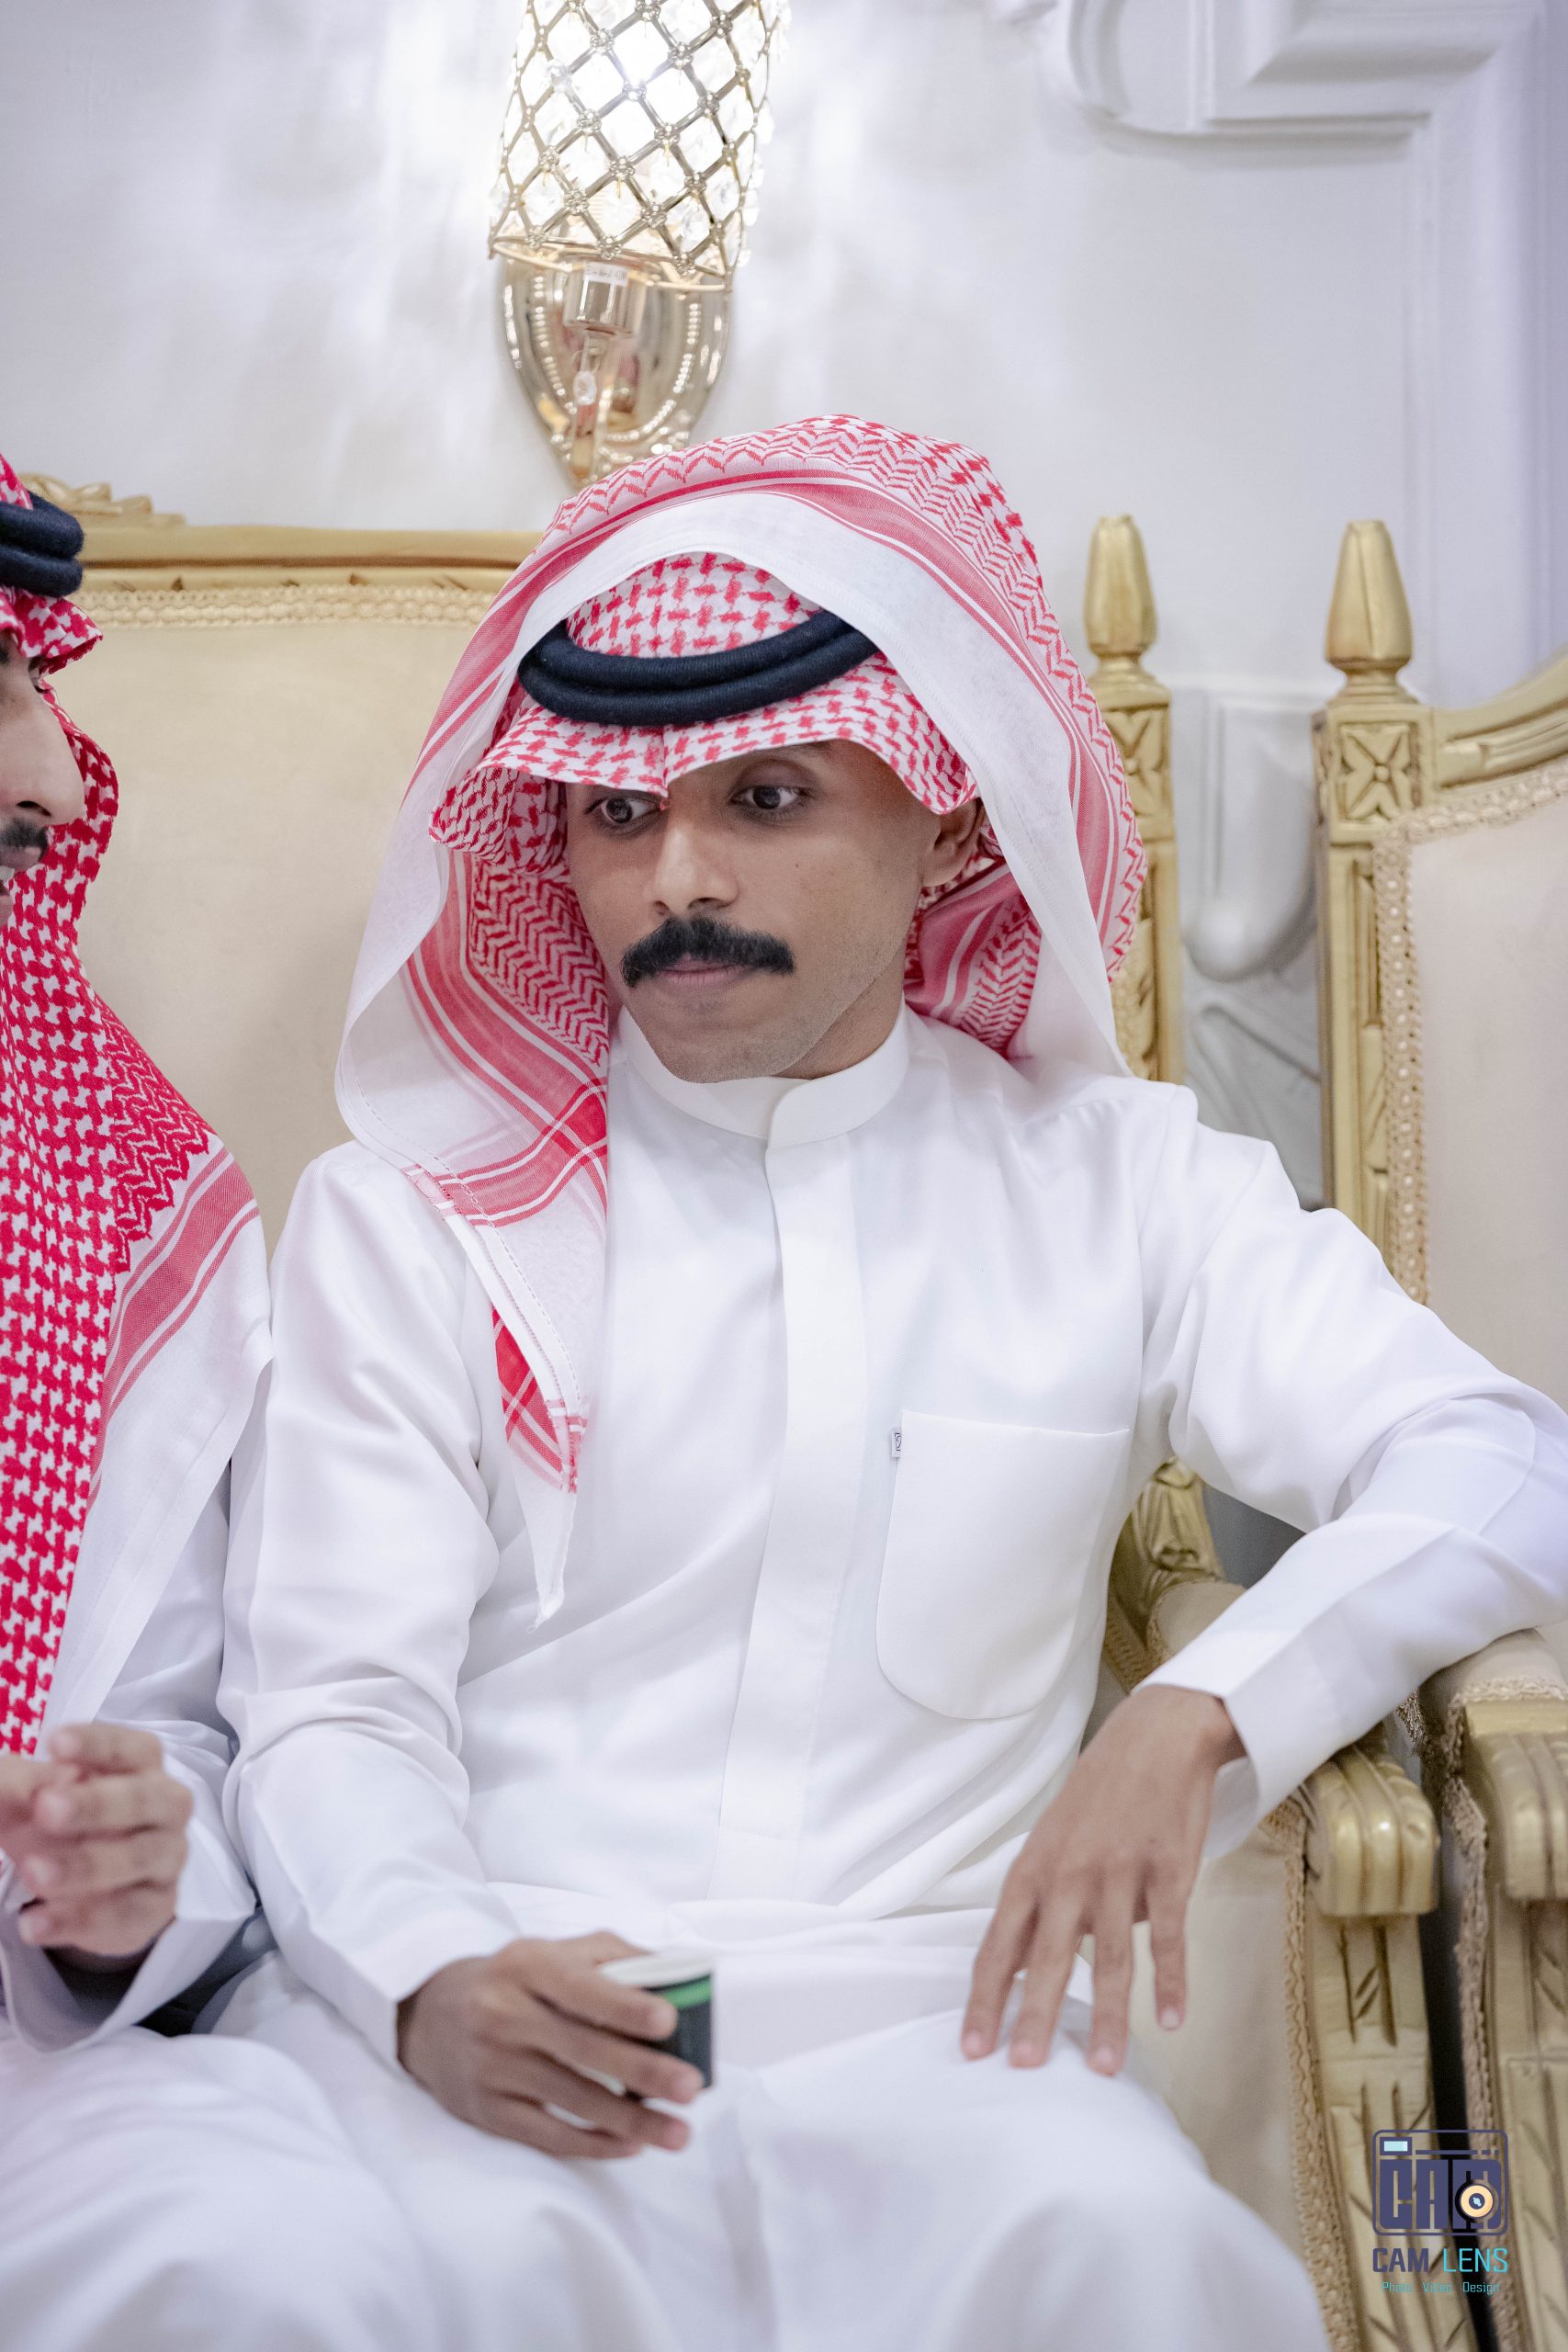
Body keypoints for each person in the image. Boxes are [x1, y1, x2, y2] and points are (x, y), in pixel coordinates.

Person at [215, 415, 1568, 2352]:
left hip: (948, 2056)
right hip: (512, 2030)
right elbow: (332, 1706)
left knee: (1141, 2257)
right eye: (616, 813)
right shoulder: (412, 1224)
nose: (674, 877)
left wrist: (1197, 1711)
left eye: (765, 796)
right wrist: (427, 1972)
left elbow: (1495, 1456)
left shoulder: (1117, 1189)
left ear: (946, 820)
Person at [0, 458, 438, 2351]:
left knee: (270, 2255)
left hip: (27, 2074)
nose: (46, 771)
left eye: (33, 685)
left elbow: (173, 1712)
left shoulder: (118, 1198)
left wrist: (120, 1877)